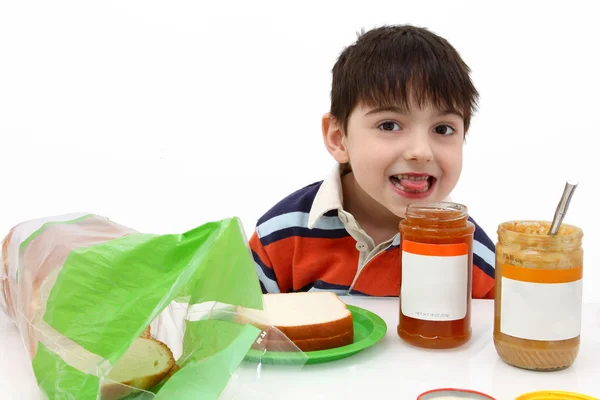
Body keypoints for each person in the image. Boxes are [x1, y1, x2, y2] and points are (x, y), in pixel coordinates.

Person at [248, 24, 496, 299]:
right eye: (389, 125)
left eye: (442, 129)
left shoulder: (473, 256)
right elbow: (235, 328)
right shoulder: (281, 234)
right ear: (339, 138)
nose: (421, 151)